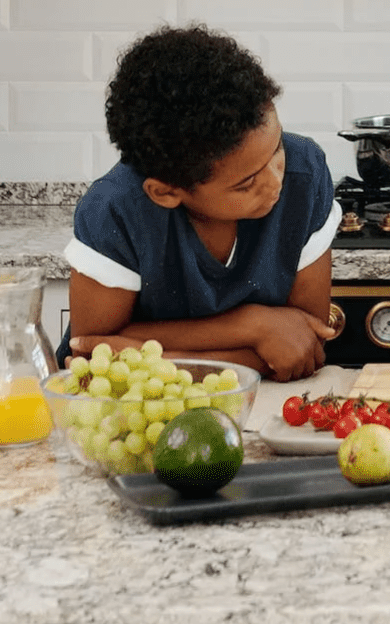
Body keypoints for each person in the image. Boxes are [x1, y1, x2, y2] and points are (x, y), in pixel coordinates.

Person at [61, 25, 340, 382]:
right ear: (166, 193)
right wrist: (252, 326)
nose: (275, 181)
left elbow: (302, 346)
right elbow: (90, 357)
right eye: (247, 183)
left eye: (277, 150)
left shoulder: (305, 174)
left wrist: (149, 355)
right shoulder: (116, 211)